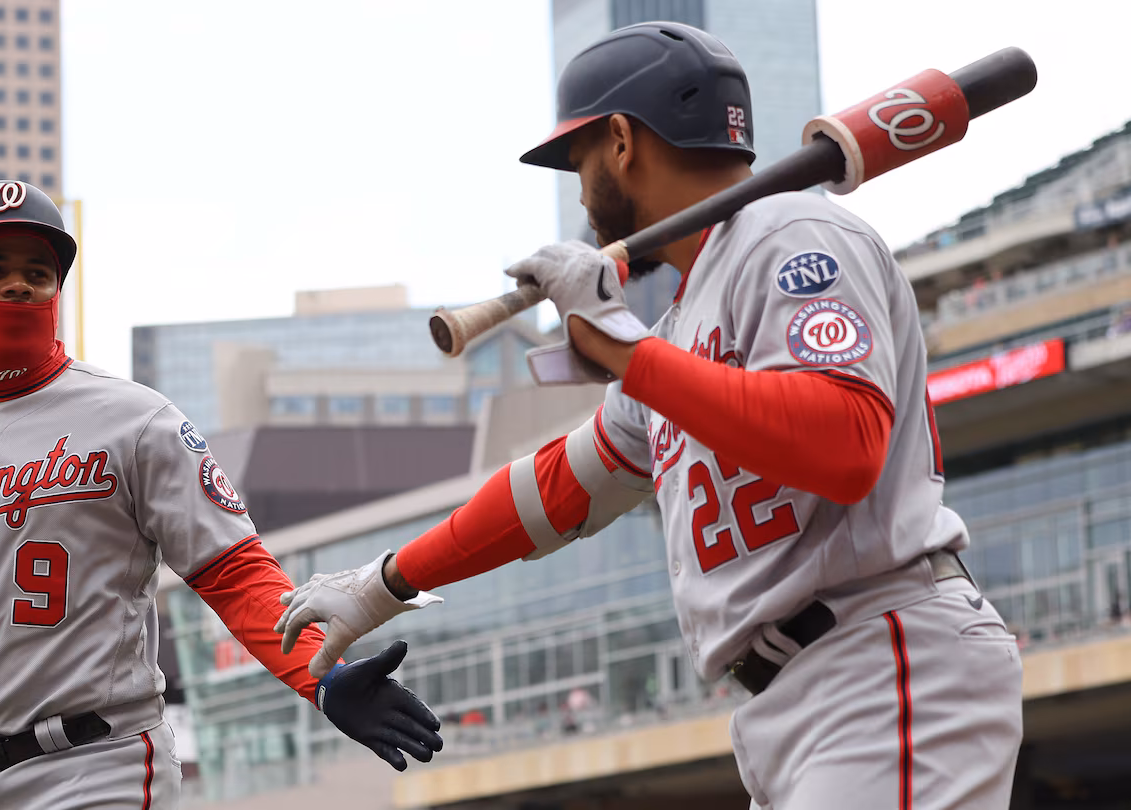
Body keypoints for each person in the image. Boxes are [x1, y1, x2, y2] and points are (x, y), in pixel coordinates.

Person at [276, 22, 1023, 810]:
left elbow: (844, 445)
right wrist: (388, 580)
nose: (579, 186)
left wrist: (624, 349)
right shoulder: (678, 328)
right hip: (801, 697)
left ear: (623, 141)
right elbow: (559, 487)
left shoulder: (794, 233)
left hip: (880, 655)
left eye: (579, 157)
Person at [0, 180, 442, 809]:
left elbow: (234, 573)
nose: (19, 284)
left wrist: (321, 673)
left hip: (97, 766)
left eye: (38, 272)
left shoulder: (135, 419)